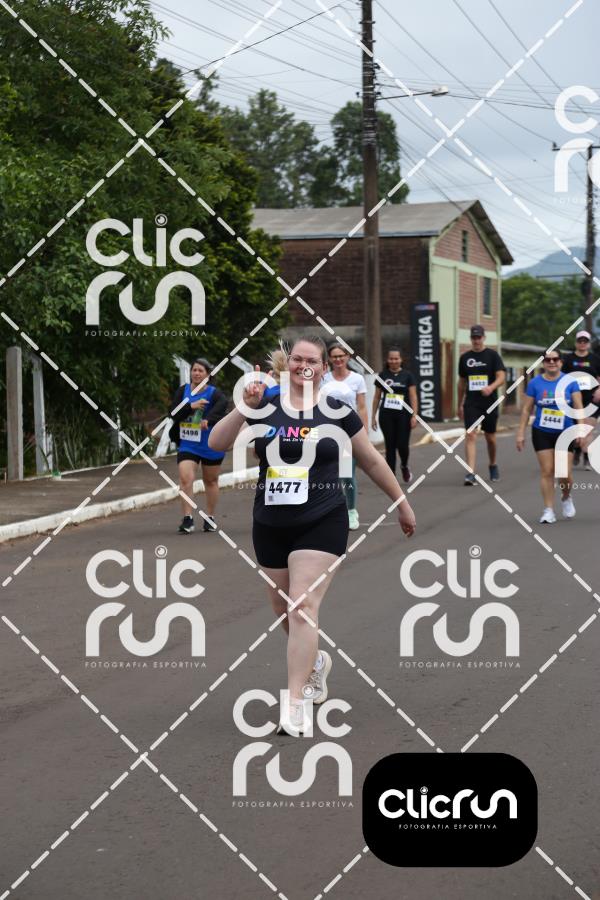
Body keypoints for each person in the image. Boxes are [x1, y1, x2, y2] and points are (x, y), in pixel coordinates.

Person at [209, 335, 416, 735]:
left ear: (323, 368)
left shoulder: (337, 410)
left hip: (323, 518)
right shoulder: (265, 405)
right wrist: (244, 406)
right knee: (283, 608)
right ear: (288, 364)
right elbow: (217, 443)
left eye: (312, 360)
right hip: (270, 522)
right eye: (297, 359)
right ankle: (316, 663)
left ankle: (295, 703)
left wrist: (401, 503)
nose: (304, 365)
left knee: (301, 605)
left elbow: (371, 460)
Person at [516, 350, 583, 524]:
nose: (551, 362)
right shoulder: (535, 383)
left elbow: (578, 406)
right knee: (547, 471)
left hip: (565, 431)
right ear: (543, 363)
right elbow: (526, 409)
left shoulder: (570, 382)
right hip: (542, 431)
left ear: (561, 362)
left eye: (555, 359)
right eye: (547, 360)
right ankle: (548, 510)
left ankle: (566, 496)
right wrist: (521, 432)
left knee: (564, 473)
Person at [169, 358, 228, 534]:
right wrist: (191, 406)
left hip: (210, 444)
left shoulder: (214, 394)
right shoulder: (183, 391)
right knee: (185, 479)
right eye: (194, 370)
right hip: (188, 444)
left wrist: (208, 420)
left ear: (207, 375)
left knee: (210, 480)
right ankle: (187, 519)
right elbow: (173, 412)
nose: (196, 373)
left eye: (200, 370)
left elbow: (222, 407)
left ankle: (210, 517)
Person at [322, 342, 368, 529]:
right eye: (335, 356)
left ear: (348, 357)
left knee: (347, 474)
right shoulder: (324, 378)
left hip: (349, 431)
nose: (338, 359)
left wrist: (364, 433)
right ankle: (327, 511)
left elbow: (362, 407)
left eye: (341, 356)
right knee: (326, 474)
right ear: (329, 359)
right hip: (327, 430)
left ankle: (351, 511)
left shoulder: (357, 379)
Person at [458, 325, 506, 485]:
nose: (476, 340)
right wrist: (459, 404)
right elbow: (461, 382)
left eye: (479, 337)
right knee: (470, 434)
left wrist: (491, 387)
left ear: (484, 338)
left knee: (490, 438)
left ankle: (493, 464)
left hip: (489, 403)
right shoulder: (465, 358)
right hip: (472, 403)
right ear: (470, 339)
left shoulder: (492, 356)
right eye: (474, 337)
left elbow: (501, 377)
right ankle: (470, 472)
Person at [371, 347, 418, 483]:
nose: (393, 361)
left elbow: (413, 396)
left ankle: (404, 465)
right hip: (387, 415)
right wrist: (373, 416)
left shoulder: (408, 375)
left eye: (396, 358)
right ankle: (391, 475)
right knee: (390, 446)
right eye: (391, 359)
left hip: (404, 415)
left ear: (401, 359)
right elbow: (376, 397)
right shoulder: (382, 375)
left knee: (402, 445)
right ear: (387, 360)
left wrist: (414, 415)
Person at [561, 330, 600, 469]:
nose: (582, 343)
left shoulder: (595, 359)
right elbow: (561, 377)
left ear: (588, 344)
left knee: (587, 429)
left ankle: (587, 458)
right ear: (576, 343)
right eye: (580, 341)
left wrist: (599, 390)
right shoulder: (568, 359)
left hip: (591, 399)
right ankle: (577, 449)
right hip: (572, 399)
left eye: (585, 341)